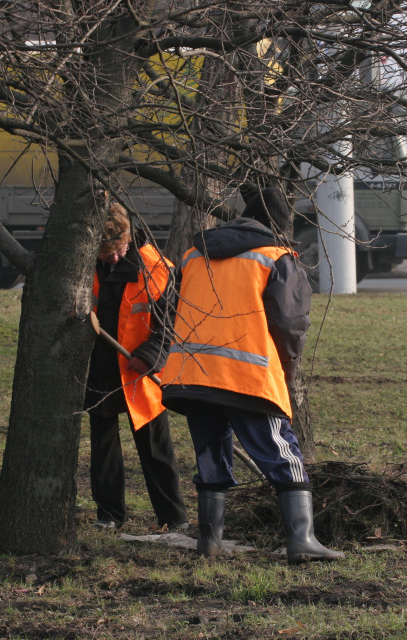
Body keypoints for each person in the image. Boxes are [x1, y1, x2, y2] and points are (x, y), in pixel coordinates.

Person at [160, 187, 343, 563]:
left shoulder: (195, 254)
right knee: (282, 454)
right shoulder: (275, 257)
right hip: (246, 377)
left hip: (190, 376)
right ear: (278, 224)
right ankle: (302, 541)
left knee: (210, 456)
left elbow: (170, 307)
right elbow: (290, 324)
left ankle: (208, 545)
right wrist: (287, 370)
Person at [84, 202, 188, 531]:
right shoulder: (83, 265)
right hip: (99, 369)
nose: (113, 259)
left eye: (118, 250)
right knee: (103, 449)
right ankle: (109, 516)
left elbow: (172, 322)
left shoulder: (157, 268)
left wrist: (152, 354)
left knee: (156, 448)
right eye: (105, 253)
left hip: (140, 372)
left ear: (129, 239)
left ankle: (173, 519)